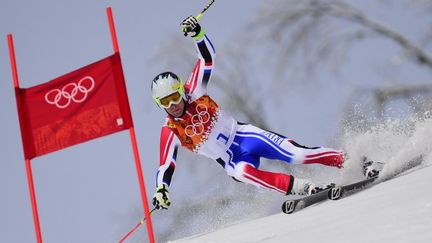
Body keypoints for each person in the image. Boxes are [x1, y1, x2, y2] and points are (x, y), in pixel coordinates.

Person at [151, 16, 373, 210]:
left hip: (245, 136)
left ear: (181, 91)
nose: (172, 105)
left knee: (297, 155)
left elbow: (208, 59)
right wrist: (161, 189)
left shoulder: (195, 91)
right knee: (241, 173)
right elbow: (166, 165)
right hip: (231, 159)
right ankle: (303, 187)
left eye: (174, 97)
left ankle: (353, 161)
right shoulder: (170, 131)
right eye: (165, 102)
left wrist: (198, 34)